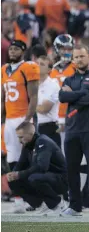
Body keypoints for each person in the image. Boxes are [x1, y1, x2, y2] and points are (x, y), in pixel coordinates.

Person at [58, 44, 89, 217]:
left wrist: (74, 94)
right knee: (71, 169)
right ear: (72, 60)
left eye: (82, 56)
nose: (79, 59)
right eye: (76, 57)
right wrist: (82, 92)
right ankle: (75, 206)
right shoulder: (68, 79)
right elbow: (62, 96)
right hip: (72, 129)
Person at [1, 40, 39, 213]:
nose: (12, 52)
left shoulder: (28, 68)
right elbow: (3, 98)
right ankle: (18, 199)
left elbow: (34, 97)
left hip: (23, 118)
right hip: (9, 120)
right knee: (12, 160)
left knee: (28, 159)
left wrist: (28, 120)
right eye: (11, 49)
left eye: (16, 49)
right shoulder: (4, 70)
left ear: (23, 51)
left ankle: (35, 198)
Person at [7, 121, 67, 216]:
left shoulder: (43, 142)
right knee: (13, 180)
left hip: (61, 179)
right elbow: (20, 164)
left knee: (34, 178)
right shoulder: (28, 145)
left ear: (31, 134)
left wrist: (19, 174)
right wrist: (12, 174)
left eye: (21, 137)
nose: (19, 141)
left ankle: (58, 204)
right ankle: (42, 204)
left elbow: (42, 167)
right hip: (46, 177)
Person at [49, 34, 76, 155]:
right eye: (63, 48)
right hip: (56, 116)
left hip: (73, 115)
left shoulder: (77, 67)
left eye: (69, 48)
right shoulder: (52, 70)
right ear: (56, 49)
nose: (66, 52)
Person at [36, 55, 61, 148]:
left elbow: (44, 109)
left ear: (49, 69)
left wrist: (29, 105)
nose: (38, 66)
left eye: (41, 64)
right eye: (37, 63)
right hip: (33, 127)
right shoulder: (31, 84)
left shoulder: (53, 85)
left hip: (48, 128)